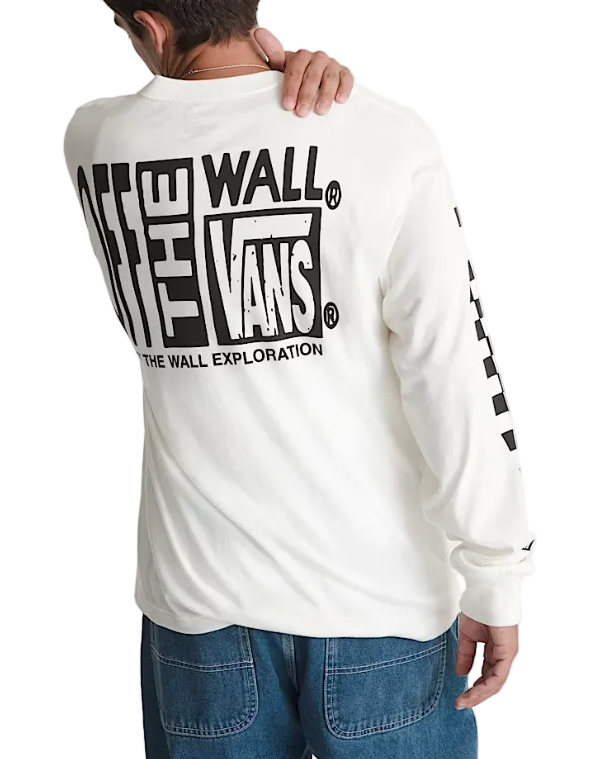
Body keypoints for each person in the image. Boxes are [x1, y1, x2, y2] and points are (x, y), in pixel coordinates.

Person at [63, 2, 536, 758]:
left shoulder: (96, 141)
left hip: (200, 615)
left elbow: (202, 113)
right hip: (379, 603)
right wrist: (495, 571)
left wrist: (259, 77)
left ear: (150, 28)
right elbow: (451, 367)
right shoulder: (382, 137)